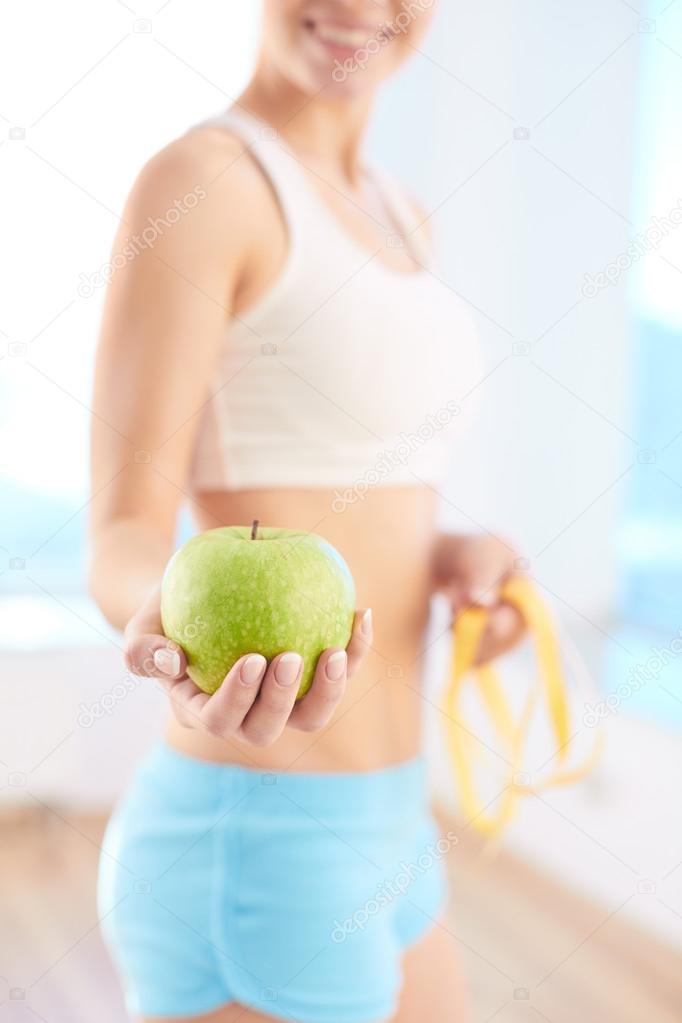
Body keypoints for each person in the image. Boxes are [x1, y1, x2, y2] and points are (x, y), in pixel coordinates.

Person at [90, 2, 525, 1020]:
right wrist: (164, 635)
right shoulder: (203, 184)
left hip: (391, 818)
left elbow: (358, 493)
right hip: (260, 835)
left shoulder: (402, 212)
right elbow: (119, 527)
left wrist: (456, 560)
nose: (359, 10)